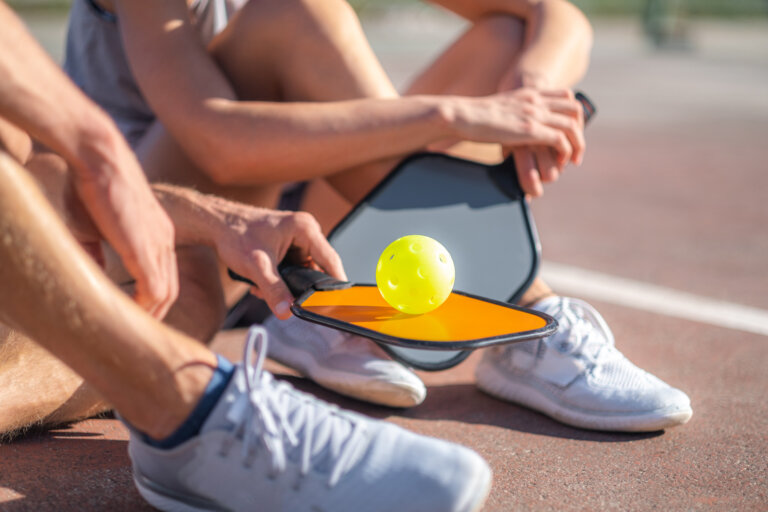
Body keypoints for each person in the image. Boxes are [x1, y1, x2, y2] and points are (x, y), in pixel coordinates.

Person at [61, 0, 692, 431]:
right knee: (298, 11)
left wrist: (533, 88)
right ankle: (523, 307)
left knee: (502, 35)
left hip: (299, 215)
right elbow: (217, 142)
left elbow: (555, 15)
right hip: (164, 224)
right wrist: (449, 116)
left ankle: (324, 308)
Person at [0, 4, 492, 511]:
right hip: (154, 178)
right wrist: (445, 114)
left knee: (180, 284)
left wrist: (205, 216)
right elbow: (219, 143)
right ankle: (185, 400)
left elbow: (27, 162)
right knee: (179, 284)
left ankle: (281, 322)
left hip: (151, 198)